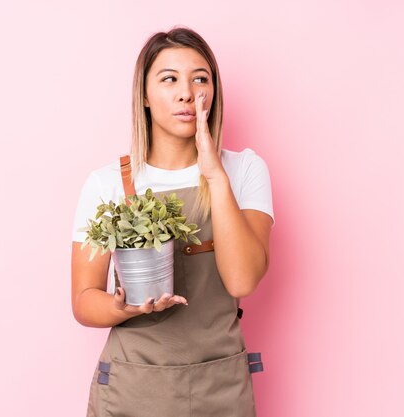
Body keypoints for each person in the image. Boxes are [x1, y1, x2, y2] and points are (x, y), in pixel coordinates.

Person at [70, 26, 275, 417]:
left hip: (222, 387)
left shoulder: (244, 169)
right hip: (133, 388)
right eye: (169, 79)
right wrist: (125, 308)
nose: (187, 92)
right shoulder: (107, 182)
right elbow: (83, 300)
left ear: (213, 92)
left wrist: (214, 175)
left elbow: (242, 280)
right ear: (144, 96)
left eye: (201, 78)